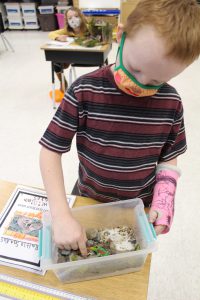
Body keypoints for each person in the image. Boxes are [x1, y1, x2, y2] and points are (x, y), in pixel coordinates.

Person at [40, 0, 200, 256]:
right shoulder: (84, 90)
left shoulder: (171, 103)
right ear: (121, 35)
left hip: (138, 209)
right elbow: (50, 150)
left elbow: (169, 157)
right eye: (135, 69)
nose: (141, 85)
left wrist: (164, 199)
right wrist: (60, 215)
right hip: (88, 200)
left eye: (157, 80)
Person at [48, 7, 88, 92]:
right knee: (55, 60)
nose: (73, 19)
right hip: (72, 57)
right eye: (70, 18)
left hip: (88, 57)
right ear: (67, 21)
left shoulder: (88, 28)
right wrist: (58, 37)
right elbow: (51, 34)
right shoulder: (67, 30)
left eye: (76, 16)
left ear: (81, 17)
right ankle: (63, 82)